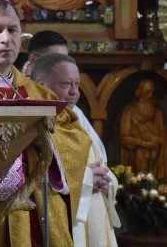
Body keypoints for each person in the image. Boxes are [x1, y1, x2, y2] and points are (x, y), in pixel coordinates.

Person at [0, 0, 91, 247]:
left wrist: (41, 145)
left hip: (36, 215)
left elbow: (76, 139)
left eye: (12, 30)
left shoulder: (38, 92)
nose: (6, 39)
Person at [31, 53, 120, 247]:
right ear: (41, 84)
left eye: (77, 84)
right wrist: (88, 179)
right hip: (66, 218)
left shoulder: (76, 117)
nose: (75, 92)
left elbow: (99, 161)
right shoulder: (33, 123)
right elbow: (37, 176)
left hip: (95, 212)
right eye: (65, 84)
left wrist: (107, 180)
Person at [120, 79, 167, 179]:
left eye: (151, 92)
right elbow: (124, 137)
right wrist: (144, 143)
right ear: (140, 92)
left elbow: (163, 136)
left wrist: (158, 142)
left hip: (156, 155)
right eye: (146, 92)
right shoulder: (130, 111)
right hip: (137, 154)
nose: (149, 95)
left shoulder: (157, 112)